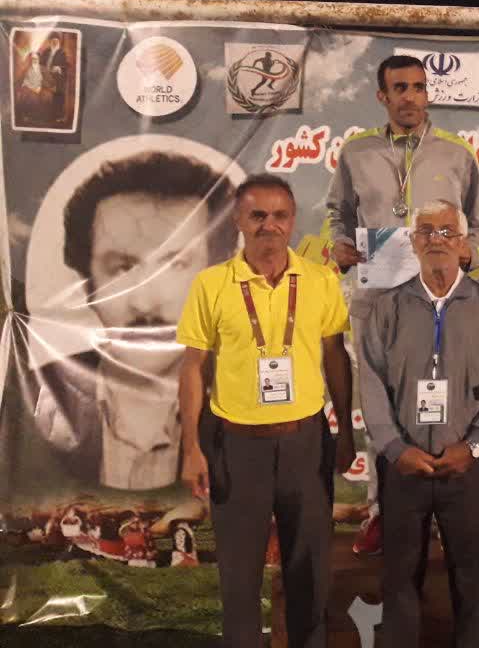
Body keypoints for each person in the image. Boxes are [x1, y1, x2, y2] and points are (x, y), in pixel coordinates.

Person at [176, 173, 356, 647]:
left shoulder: (320, 281)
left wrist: (346, 430)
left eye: (280, 216)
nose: (269, 226)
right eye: (257, 215)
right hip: (236, 447)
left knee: (309, 576)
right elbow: (192, 367)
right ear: (238, 220)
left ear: (293, 221)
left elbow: (336, 357)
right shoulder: (211, 284)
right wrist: (191, 447)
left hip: (306, 444)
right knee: (239, 581)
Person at [325, 53, 479, 555]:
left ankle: (444, 511)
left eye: (418, 87)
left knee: (446, 400)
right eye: (399, 88)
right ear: (382, 96)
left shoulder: (456, 154)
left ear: (427, 93)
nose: (410, 97)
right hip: (379, 300)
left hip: (442, 300)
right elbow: (338, 215)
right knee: (381, 405)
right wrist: (340, 245)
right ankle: (381, 511)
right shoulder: (356, 152)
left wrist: (471, 251)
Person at [358, 199, 479, 647]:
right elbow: (370, 381)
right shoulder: (387, 307)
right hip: (403, 467)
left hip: (465, 466)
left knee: (470, 580)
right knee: (399, 580)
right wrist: (394, 449)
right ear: (412, 241)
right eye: (426, 231)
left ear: (463, 242)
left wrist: (475, 445)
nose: (436, 239)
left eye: (447, 231)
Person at [32, 150, 238, 489]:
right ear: (89, 285)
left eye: (176, 265)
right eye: (122, 268)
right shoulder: (37, 396)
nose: (144, 302)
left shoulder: (244, 395)